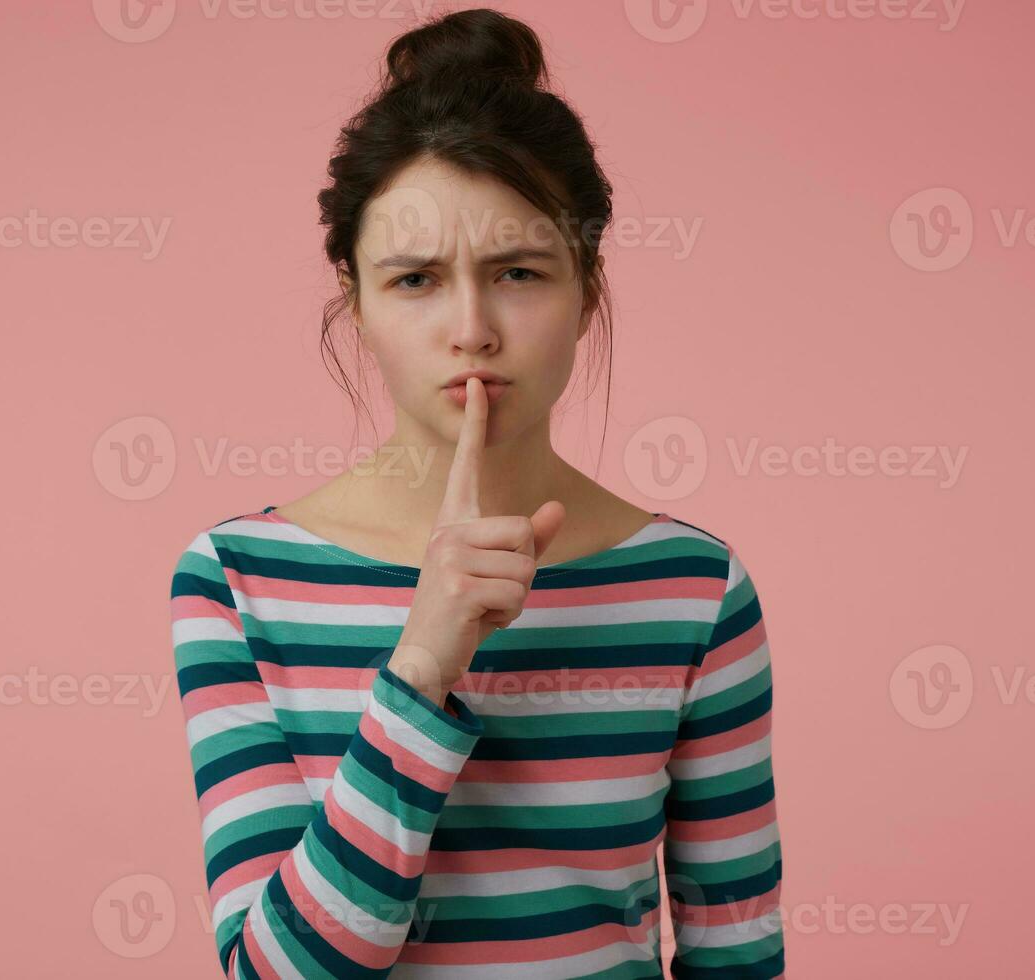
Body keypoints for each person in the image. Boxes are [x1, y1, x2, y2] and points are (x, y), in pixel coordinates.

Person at [168, 8, 785, 976]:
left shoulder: (694, 585)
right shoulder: (239, 576)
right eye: (415, 278)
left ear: (588, 287)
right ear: (357, 300)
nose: (472, 327)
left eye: (519, 271)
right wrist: (422, 664)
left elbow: (736, 949)